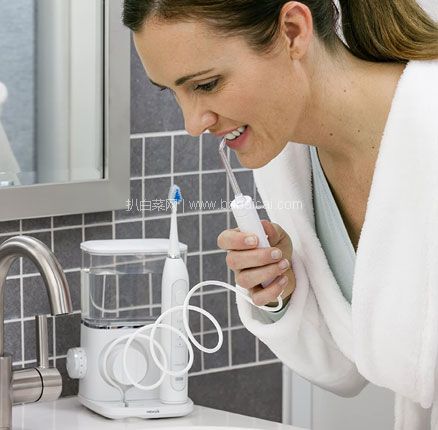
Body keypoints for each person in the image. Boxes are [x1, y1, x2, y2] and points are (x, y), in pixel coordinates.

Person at [122, 1, 438, 428]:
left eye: (207, 84)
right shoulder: (287, 159)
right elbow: (352, 366)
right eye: (170, 91)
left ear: (292, 31)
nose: (193, 124)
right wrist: (283, 294)